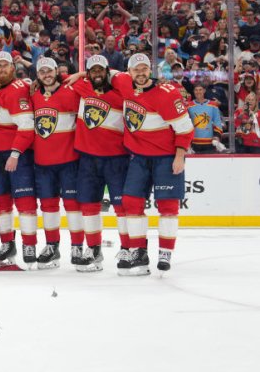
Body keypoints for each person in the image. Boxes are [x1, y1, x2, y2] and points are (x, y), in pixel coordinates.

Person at [110, 54, 194, 275]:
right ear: (129, 72)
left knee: (168, 207)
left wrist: (179, 156)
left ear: (151, 70)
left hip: (166, 158)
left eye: (144, 69)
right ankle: (139, 250)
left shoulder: (167, 94)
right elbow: (109, 74)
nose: (140, 73)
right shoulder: (124, 82)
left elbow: (185, 129)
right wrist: (80, 73)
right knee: (130, 202)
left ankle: (165, 252)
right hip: (138, 157)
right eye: (136, 69)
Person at [66, 55, 127, 272]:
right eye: (93, 70)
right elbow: (54, 79)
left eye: (101, 70)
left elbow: (129, 78)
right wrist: (80, 75)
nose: (97, 74)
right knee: (89, 206)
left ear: (108, 71)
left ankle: (128, 249)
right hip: (88, 158)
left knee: (122, 207)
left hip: (116, 158)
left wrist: (82, 73)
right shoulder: (83, 88)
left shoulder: (122, 93)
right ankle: (93, 251)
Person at [0, 51, 36, 267]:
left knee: (24, 201)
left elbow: (26, 126)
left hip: (16, 155)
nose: (2, 69)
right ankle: (7, 243)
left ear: (13, 68)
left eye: (6, 65)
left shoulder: (18, 90)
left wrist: (15, 153)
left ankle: (29, 244)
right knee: (1, 201)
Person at [30, 57, 81, 269]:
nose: (46, 75)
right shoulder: (32, 95)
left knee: (72, 205)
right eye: (41, 72)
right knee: (48, 206)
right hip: (42, 162)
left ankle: (77, 246)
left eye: (49, 71)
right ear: (38, 75)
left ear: (56, 71)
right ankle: (52, 246)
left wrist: (80, 74)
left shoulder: (73, 90)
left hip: (69, 160)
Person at [188, 84, 224, 153]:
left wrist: (217, 136)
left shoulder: (213, 105)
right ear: (193, 91)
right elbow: (186, 124)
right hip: (194, 143)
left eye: (200, 90)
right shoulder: (189, 105)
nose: (198, 92)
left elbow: (217, 122)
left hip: (210, 143)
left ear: (204, 91)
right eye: (196, 90)